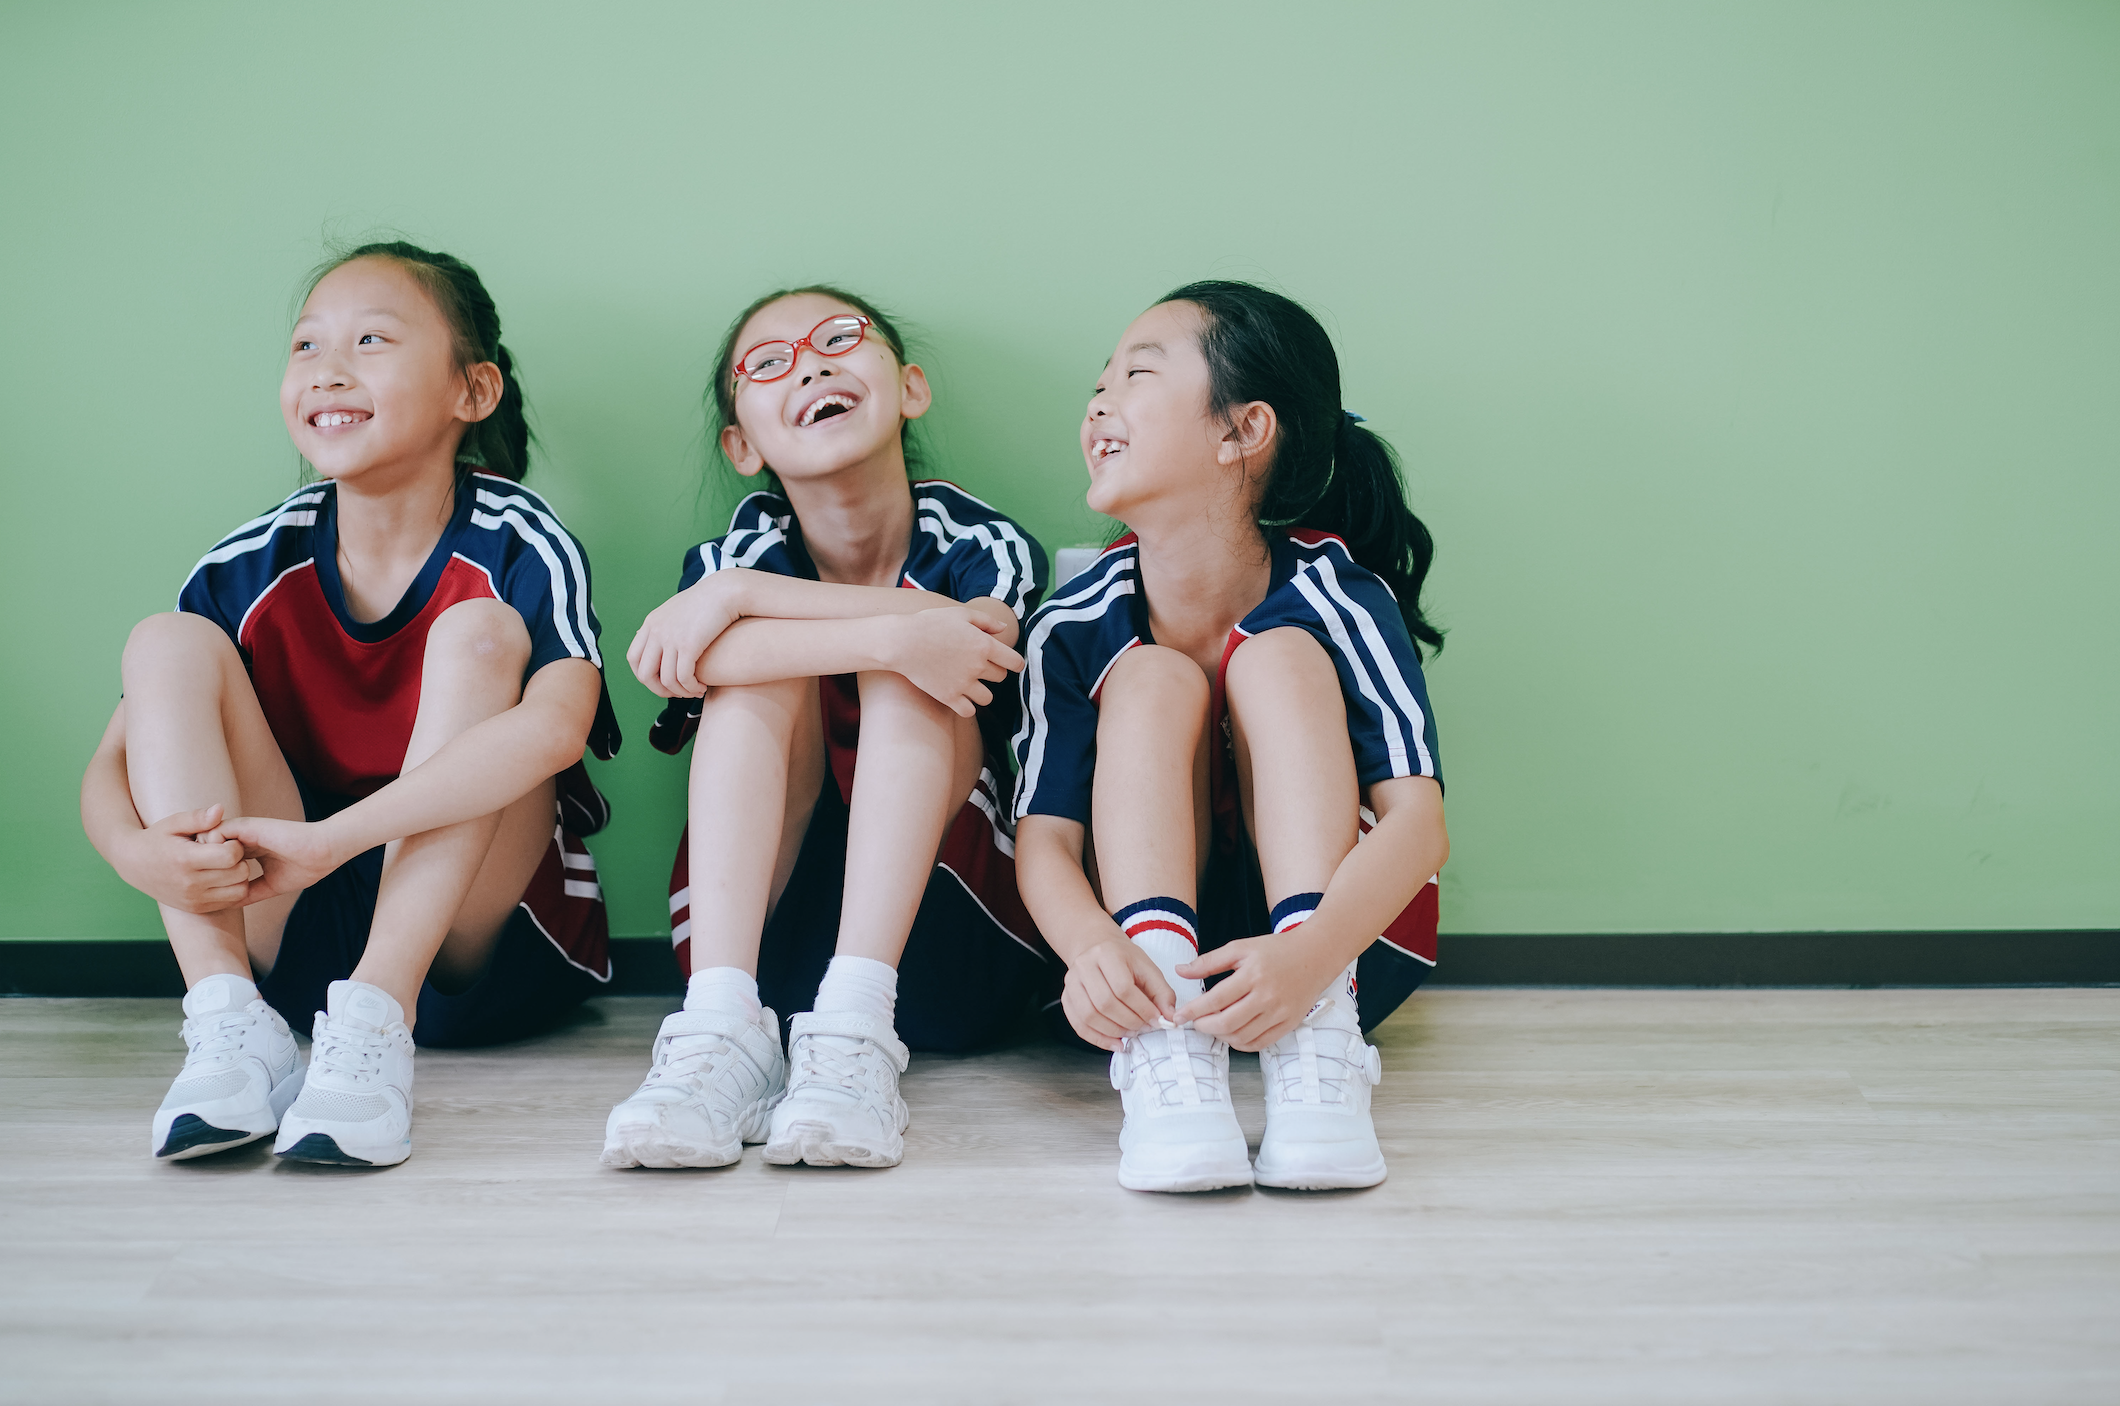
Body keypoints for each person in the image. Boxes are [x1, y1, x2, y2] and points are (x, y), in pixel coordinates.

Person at [80, 243, 619, 1167]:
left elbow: (557, 728)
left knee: (480, 634)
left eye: (372, 340)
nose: (329, 369)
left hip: (475, 941)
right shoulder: (246, 564)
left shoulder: (520, 540)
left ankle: (375, 1024)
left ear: (472, 392)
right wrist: (138, 856)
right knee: (162, 641)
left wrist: (340, 840)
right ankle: (228, 1023)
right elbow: (112, 764)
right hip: (291, 915)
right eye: (306, 347)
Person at [1013, 280, 1449, 1193]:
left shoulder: (1339, 595)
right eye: (1099, 383)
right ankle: (1165, 1066)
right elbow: (1044, 842)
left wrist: (1313, 957)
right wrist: (1092, 950)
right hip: (1144, 965)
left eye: (1137, 374)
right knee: (1152, 675)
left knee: (1275, 656)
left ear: (1242, 432)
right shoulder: (1073, 622)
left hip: (1340, 945)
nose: (1100, 401)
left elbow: (1419, 824)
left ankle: (1319, 1055)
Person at [606, 286, 1048, 1172]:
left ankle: (854, 1032)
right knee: (762, 678)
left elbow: (969, 644)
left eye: (840, 338)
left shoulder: (979, 541)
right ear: (743, 445)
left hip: (953, 940)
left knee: (910, 672)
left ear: (909, 388)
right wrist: (876, 625)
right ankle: (721, 1038)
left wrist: (740, 604)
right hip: (761, 953)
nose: (808, 361)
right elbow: (676, 661)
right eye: (767, 363)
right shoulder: (744, 549)